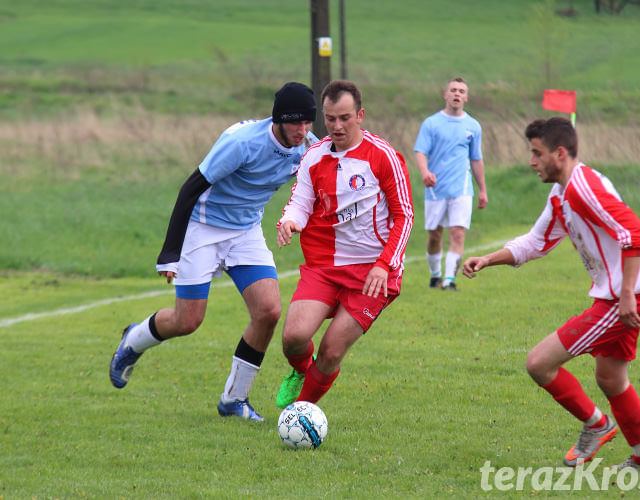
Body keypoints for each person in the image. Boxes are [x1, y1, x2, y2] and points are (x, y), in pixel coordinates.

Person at [108, 82, 318, 422]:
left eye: (308, 123)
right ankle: (134, 339)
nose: (303, 130)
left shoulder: (307, 147)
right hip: (203, 228)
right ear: (278, 120)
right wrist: (170, 253)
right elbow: (190, 189)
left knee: (268, 311)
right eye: (296, 123)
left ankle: (234, 400)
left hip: (246, 231)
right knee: (187, 321)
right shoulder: (242, 143)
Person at [462, 117, 640, 470]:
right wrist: (488, 259)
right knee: (611, 378)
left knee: (539, 363)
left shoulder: (583, 188)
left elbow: (635, 233)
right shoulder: (561, 194)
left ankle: (597, 425)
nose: (531, 161)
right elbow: (536, 243)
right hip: (621, 295)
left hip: (622, 300)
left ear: (559, 153)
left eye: (537, 154)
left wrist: (628, 293)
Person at [274, 79, 414, 408]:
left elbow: (404, 216)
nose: (337, 126)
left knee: (332, 350)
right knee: (293, 338)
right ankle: (301, 372)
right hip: (323, 266)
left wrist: (384, 265)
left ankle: (301, 412)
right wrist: (289, 221)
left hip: (371, 271)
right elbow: (300, 201)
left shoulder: (384, 157)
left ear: (360, 115)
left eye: (345, 118)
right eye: (330, 118)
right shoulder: (313, 156)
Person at [414, 77, 488, 291]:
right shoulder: (431, 123)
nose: (457, 94)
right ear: (445, 95)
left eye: (461, 91)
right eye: (453, 90)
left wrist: (482, 189)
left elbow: (476, 159)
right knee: (434, 235)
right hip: (436, 190)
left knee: (457, 233)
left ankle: (449, 281)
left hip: (462, 189)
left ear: (466, 97)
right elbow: (420, 151)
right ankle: (435, 275)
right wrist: (425, 172)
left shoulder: (473, 126)